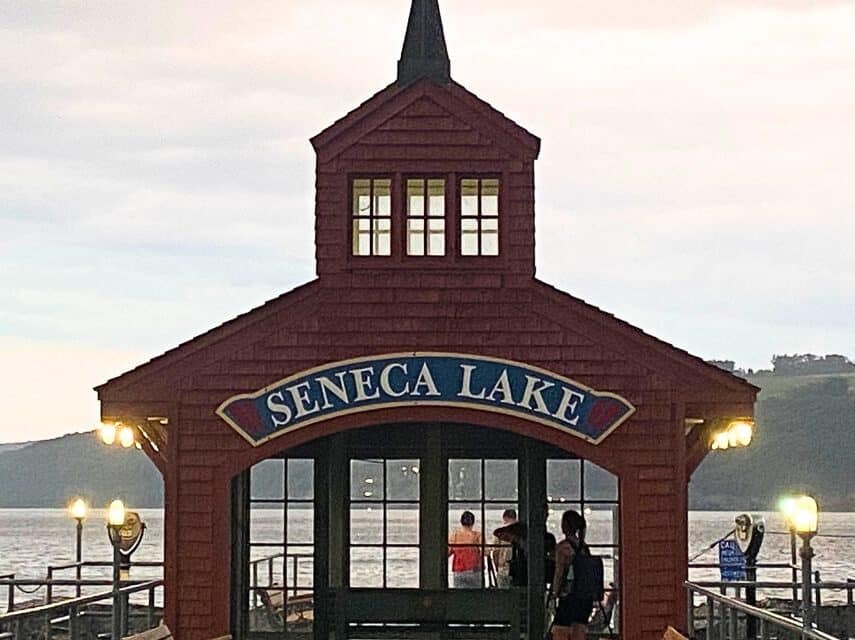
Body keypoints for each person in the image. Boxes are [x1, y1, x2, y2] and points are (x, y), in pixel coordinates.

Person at [549, 510, 595, 640]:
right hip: (584, 598)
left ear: (566, 526)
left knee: (560, 631)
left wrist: (554, 593)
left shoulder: (563, 548)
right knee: (579, 633)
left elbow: (559, 572)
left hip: (569, 597)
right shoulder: (584, 547)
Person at [492, 504, 557, 589]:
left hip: (523, 575)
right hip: (533, 575)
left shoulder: (547, 538)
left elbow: (498, 534)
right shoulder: (548, 538)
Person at [448, 510, 483, 588]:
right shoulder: (477, 535)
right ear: (473, 522)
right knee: (476, 597)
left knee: (460, 596)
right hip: (475, 570)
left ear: (461, 522)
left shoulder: (454, 535)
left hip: (459, 571)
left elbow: (448, 552)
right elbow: (486, 552)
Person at [491, 508, 517, 588]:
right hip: (519, 570)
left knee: (503, 596)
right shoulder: (522, 531)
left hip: (503, 569)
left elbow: (495, 553)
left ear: (505, 518)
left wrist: (497, 568)